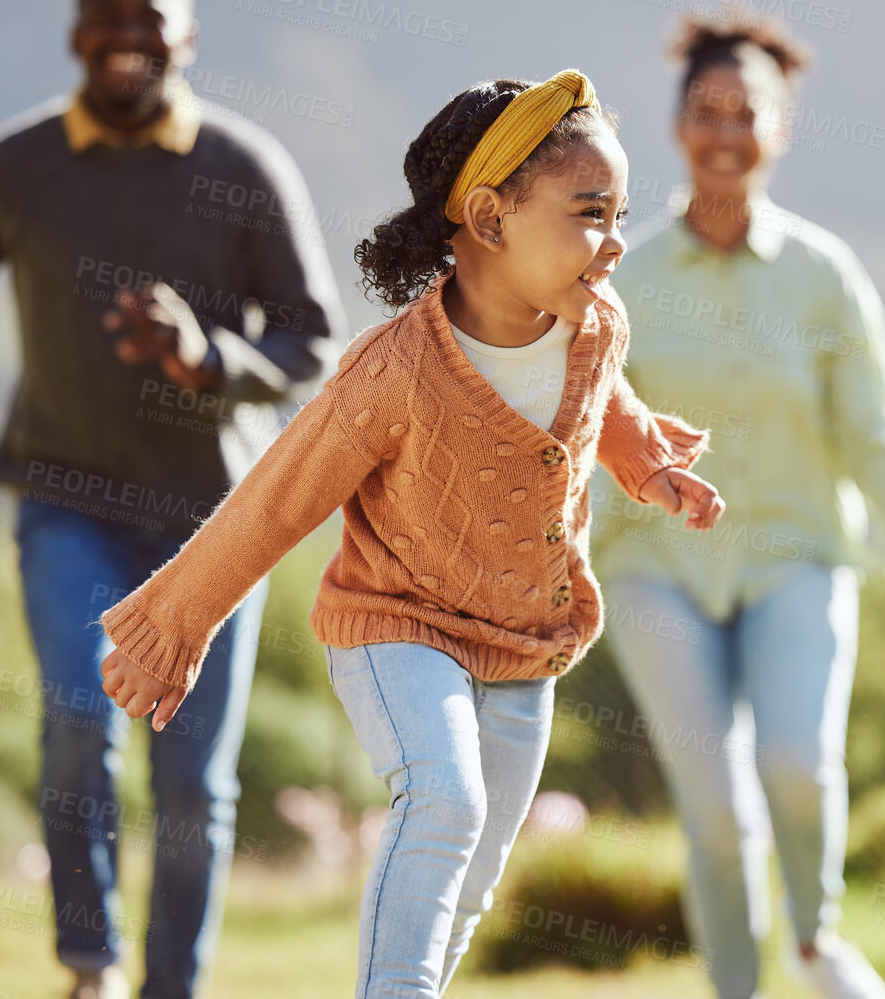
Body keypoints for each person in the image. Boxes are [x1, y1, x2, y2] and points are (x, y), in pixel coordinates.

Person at [95, 69, 726, 998]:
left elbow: (601, 400)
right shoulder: (392, 375)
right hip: (397, 627)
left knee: (469, 883)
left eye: (621, 211)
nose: (617, 240)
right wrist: (178, 623)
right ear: (489, 216)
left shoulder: (598, 324)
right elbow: (278, 499)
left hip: (524, 642)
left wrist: (647, 464)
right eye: (591, 211)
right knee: (445, 798)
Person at [0, 0, 347, 999]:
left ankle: (170, 988)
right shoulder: (14, 170)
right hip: (67, 505)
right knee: (80, 716)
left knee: (193, 782)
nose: (130, 35)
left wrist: (207, 358)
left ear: (188, 34)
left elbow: (313, 340)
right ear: (75, 32)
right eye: (109, 14)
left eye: (154, 16)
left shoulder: (244, 169)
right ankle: (89, 969)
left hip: (216, 524)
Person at [589, 15, 885, 999]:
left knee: (798, 763)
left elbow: (879, 438)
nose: (725, 132)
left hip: (798, 559)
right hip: (653, 567)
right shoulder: (622, 276)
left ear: (781, 129)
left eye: (746, 113)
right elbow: (584, 429)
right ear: (677, 126)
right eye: (705, 111)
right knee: (716, 808)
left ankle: (816, 945)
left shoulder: (824, 278)